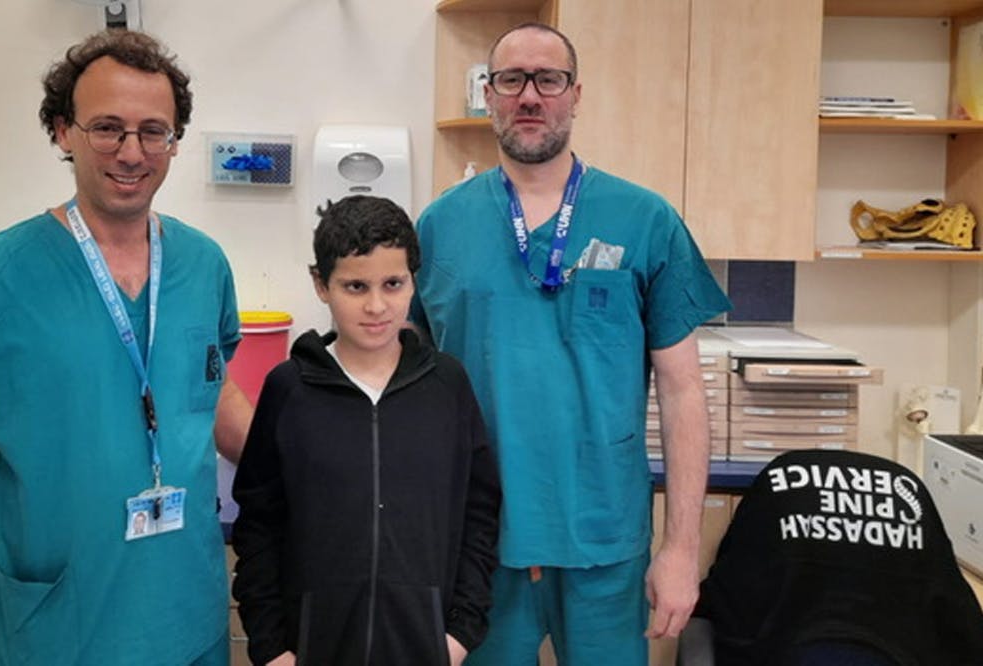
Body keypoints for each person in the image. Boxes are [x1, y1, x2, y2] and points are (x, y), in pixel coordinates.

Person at [0, 30, 253, 665]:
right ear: (61, 131)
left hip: (189, 622)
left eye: (152, 131)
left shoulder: (203, 265)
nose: (131, 152)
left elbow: (207, 394)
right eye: (107, 127)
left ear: (174, 141)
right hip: (53, 631)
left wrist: (321, 461)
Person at [410, 22, 733, 665]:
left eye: (548, 79)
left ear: (575, 93)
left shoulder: (645, 219)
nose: (530, 96)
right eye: (511, 80)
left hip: (604, 539)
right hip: (479, 541)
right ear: (490, 93)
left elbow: (682, 389)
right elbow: (407, 390)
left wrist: (680, 549)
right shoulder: (440, 226)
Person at [231, 195, 502, 666]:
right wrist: (272, 646)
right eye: (355, 286)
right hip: (313, 647)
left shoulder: (447, 385)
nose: (377, 306)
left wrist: (460, 631)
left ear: (414, 282)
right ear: (321, 284)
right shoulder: (289, 389)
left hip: (425, 646)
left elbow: (479, 514)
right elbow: (258, 524)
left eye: (393, 284)